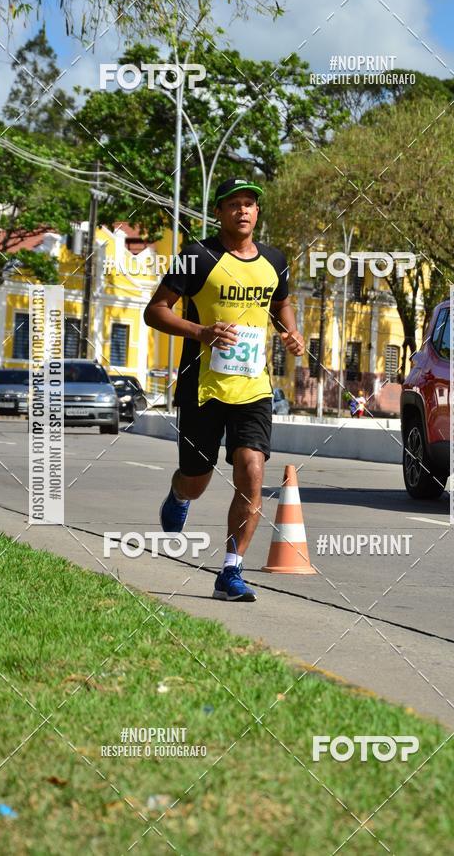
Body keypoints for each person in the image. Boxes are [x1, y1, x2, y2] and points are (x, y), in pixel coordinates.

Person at [144, 178, 305, 602]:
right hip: (203, 387)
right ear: (219, 212)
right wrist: (201, 331)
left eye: (250, 203)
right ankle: (179, 494)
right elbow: (154, 311)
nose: (243, 211)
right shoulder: (196, 257)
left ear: (257, 211)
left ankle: (231, 571)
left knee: (252, 469)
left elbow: (281, 300)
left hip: (254, 386)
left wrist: (291, 332)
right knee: (196, 479)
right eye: (233, 204)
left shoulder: (274, 259)